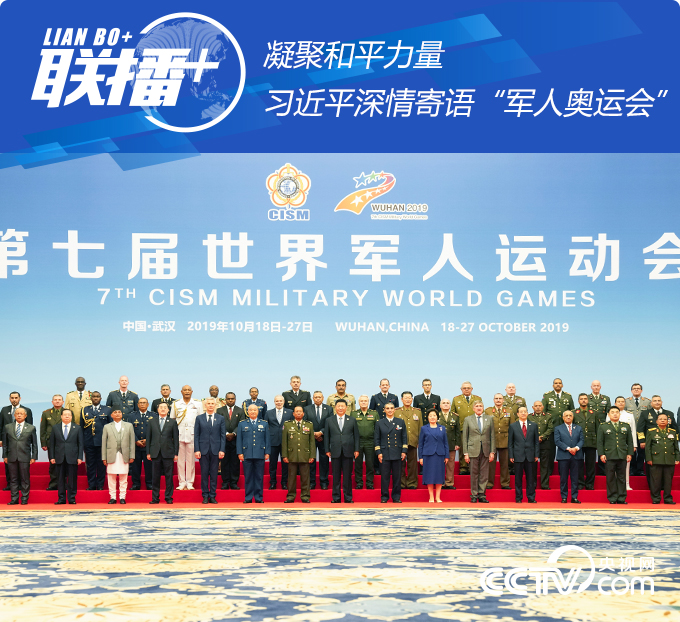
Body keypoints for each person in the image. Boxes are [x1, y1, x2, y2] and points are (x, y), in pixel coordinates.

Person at [597, 405, 634, 505]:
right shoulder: (603, 426)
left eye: (617, 412)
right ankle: (612, 497)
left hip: (622, 455)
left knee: (622, 477)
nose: (615, 414)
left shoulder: (625, 426)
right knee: (610, 477)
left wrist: (630, 453)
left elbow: (630, 441)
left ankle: (621, 497)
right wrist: (601, 454)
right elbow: (600, 442)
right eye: (612, 412)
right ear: (608, 415)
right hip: (609, 455)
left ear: (619, 414)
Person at [324, 399, 360, 503]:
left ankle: (348, 497)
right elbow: (326, 436)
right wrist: (327, 449)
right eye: (338, 406)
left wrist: (356, 449)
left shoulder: (352, 420)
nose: (340, 408)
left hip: (348, 451)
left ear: (346, 408)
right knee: (336, 476)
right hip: (335, 451)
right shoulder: (329, 420)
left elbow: (356, 436)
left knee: (347, 476)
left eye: (342, 406)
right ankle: (336, 497)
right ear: (335, 407)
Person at [637, 395, 678, 483]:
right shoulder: (645, 413)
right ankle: (652, 485)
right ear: (651, 403)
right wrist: (642, 441)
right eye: (655, 401)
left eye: (659, 400)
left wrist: (675, 441)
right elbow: (640, 428)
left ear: (662, 402)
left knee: (666, 467)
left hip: (666, 443)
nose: (657, 402)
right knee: (651, 466)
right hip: (651, 443)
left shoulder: (669, 413)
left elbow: (674, 428)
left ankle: (664, 485)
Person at [170, 385, 203, 491]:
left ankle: (189, 482)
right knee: (180, 461)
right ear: (181, 392)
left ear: (192, 391)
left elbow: (201, 420)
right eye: (185, 390)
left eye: (189, 390)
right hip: (179, 435)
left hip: (192, 435)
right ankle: (181, 482)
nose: (187, 391)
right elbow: (172, 420)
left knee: (190, 461)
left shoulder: (197, 404)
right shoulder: (176, 404)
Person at [462, 401, 495, 503]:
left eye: (480, 406)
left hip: (486, 449)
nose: (479, 408)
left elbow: (492, 436)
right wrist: (466, 453)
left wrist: (492, 452)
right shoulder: (468, 419)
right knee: (474, 473)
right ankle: (474, 494)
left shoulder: (489, 419)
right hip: (472, 450)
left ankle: (482, 495)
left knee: (484, 474)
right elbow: (465, 437)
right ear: (473, 408)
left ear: (483, 408)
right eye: (477, 406)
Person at [3, 407, 38, 505]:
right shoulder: (8, 427)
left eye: (21, 414)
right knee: (13, 479)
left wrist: (34, 456)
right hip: (11, 456)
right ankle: (14, 499)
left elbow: (34, 444)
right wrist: (5, 456)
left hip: (25, 456)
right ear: (14, 415)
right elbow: (5, 444)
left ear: (25, 416)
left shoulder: (31, 428)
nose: (19, 415)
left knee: (24, 478)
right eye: (17, 413)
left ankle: (24, 498)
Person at [194, 398, 226, 504]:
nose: (211, 405)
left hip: (216, 450)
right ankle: (205, 495)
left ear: (215, 405)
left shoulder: (220, 418)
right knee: (204, 474)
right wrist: (197, 449)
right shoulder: (199, 418)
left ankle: (212, 495)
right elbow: (196, 435)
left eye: (212, 403)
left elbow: (222, 435)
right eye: (209, 403)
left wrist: (222, 450)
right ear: (205, 405)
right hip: (203, 450)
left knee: (214, 474)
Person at [374, 402, 407, 503]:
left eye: (392, 408)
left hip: (397, 452)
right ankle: (384, 497)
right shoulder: (379, 422)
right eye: (387, 408)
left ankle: (396, 497)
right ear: (384, 410)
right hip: (385, 453)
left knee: (397, 477)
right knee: (385, 477)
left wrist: (404, 451)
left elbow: (404, 437)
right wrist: (379, 452)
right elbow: (377, 439)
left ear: (394, 410)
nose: (390, 410)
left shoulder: (400, 422)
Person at [542, 378, 575, 480]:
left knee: (564, 449)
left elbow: (572, 411)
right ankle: (549, 472)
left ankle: (563, 471)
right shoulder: (547, 396)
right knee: (550, 451)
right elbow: (544, 412)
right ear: (553, 385)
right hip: (552, 428)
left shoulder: (568, 396)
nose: (558, 385)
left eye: (559, 383)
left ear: (562, 385)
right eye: (556, 383)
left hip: (564, 428)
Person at [146, 403, 179, 504]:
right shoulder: (152, 421)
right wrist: (148, 452)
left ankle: (168, 497)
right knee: (155, 477)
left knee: (169, 476)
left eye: (165, 408)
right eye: (161, 407)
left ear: (168, 410)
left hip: (168, 452)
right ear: (158, 410)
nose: (163, 409)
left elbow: (176, 439)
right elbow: (148, 438)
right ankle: (155, 498)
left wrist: (176, 453)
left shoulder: (172, 422)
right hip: (155, 452)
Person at [237, 404, 270, 503]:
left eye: (254, 410)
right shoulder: (242, 424)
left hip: (260, 454)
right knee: (248, 477)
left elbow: (267, 439)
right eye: (250, 410)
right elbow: (239, 440)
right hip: (247, 454)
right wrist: (240, 453)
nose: (252, 412)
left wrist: (267, 452)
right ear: (247, 412)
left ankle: (259, 497)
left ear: (258, 411)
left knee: (259, 477)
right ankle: (248, 497)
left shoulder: (264, 423)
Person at [49, 409, 83, 505]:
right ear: (61, 416)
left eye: (69, 415)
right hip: (59, 457)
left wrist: (80, 457)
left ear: (71, 417)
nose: (67, 416)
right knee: (60, 479)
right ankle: (61, 499)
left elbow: (80, 444)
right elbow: (52, 444)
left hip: (72, 457)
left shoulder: (77, 428)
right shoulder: (55, 428)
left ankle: (72, 498)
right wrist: (52, 457)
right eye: (65, 415)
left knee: (72, 479)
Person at [101, 409, 135, 505]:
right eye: (115, 412)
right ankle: (112, 497)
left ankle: (122, 497)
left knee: (123, 477)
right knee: (111, 477)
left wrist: (132, 455)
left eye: (119, 412)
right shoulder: (107, 426)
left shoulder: (129, 425)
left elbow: (132, 442)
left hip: (124, 454)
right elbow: (104, 443)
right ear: (111, 415)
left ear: (122, 414)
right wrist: (104, 457)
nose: (117, 414)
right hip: (111, 454)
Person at [1, 392, 33, 492]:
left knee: (22, 465)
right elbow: (1, 425)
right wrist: (1, 439)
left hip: (22, 441)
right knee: (9, 463)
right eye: (12, 398)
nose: (14, 399)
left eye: (16, 397)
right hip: (8, 440)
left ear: (20, 398)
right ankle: (10, 484)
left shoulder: (27, 410)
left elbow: (30, 426)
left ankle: (21, 485)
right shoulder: (4, 410)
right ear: (9, 399)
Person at [282, 406, 315, 503]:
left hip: (305, 455)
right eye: (296, 411)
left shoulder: (309, 425)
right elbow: (284, 441)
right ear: (293, 414)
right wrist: (285, 455)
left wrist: (312, 455)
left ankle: (305, 496)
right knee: (291, 478)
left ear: (303, 413)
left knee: (305, 478)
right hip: (291, 455)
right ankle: (290, 496)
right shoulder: (287, 424)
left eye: (300, 411)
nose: (298, 413)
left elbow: (312, 442)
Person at [645, 413, 680, 505]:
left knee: (668, 481)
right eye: (661, 419)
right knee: (655, 481)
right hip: (656, 459)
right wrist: (649, 459)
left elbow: (676, 447)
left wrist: (677, 458)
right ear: (657, 421)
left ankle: (668, 498)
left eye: (665, 419)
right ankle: (656, 498)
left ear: (668, 421)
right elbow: (648, 447)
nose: (663, 421)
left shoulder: (672, 432)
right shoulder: (651, 432)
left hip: (669, 459)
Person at [80, 391, 112, 490]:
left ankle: (100, 485)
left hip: (102, 442)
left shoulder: (107, 410)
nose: (95, 398)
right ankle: (92, 485)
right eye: (94, 396)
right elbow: (81, 428)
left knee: (101, 465)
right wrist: (82, 442)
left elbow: (111, 427)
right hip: (88, 441)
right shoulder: (84, 410)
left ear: (100, 398)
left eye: (97, 397)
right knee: (90, 464)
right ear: (91, 398)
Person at [508, 407, 539, 503]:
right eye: (521, 412)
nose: (523, 413)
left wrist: (536, 454)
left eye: (525, 412)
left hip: (530, 456)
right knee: (518, 478)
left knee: (531, 478)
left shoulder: (533, 425)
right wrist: (511, 455)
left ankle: (531, 497)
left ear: (527, 413)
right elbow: (510, 443)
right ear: (517, 414)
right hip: (518, 455)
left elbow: (536, 442)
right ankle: (518, 497)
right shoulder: (513, 426)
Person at [303, 391, 333, 490]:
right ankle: (312, 482)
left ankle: (324, 482)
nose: (318, 399)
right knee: (311, 460)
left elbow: (330, 423)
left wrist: (321, 432)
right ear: (313, 398)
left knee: (324, 461)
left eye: (319, 397)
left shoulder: (329, 409)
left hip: (324, 438)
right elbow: (305, 423)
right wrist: (314, 434)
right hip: (310, 438)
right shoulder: (307, 409)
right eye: (316, 397)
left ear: (323, 398)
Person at [418, 409, 449, 503]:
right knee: (430, 476)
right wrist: (421, 457)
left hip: (439, 455)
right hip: (428, 455)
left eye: (434, 415)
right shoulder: (424, 428)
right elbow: (421, 444)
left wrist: (446, 456)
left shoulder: (442, 428)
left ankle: (438, 497)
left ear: (437, 417)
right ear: (427, 417)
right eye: (430, 415)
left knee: (439, 476)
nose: (432, 417)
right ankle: (431, 497)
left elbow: (445, 443)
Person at [349, 395, 379, 490]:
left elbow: (377, 429)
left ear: (368, 402)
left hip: (370, 442)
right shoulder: (354, 414)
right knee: (358, 464)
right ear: (359, 402)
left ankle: (369, 483)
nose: (363, 402)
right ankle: (359, 482)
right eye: (361, 401)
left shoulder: (374, 413)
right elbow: (351, 429)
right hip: (358, 442)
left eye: (365, 401)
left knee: (370, 464)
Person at [486, 393, 515, 490]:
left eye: (500, 398)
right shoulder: (488, 411)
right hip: (492, 441)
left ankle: (505, 483)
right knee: (490, 464)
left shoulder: (509, 411)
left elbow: (512, 427)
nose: (498, 400)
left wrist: (512, 441)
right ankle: (489, 483)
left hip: (505, 441)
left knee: (505, 464)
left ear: (503, 400)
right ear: (493, 400)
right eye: (496, 398)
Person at [554, 411, 583, 504]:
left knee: (575, 478)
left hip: (576, 456)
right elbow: (557, 441)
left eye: (570, 415)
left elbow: (581, 440)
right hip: (564, 456)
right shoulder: (558, 428)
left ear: (573, 417)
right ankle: (564, 497)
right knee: (563, 478)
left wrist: (576, 448)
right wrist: (568, 448)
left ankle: (574, 497)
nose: (568, 417)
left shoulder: (578, 428)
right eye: (566, 415)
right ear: (563, 417)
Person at [217, 392, 245, 490]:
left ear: (235, 399)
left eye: (232, 399)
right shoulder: (220, 410)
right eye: (228, 399)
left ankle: (233, 482)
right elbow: (218, 424)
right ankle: (225, 482)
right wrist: (225, 434)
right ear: (225, 399)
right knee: (224, 462)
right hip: (223, 440)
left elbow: (241, 424)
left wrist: (233, 433)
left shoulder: (240, 411)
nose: (230, 400)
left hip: (236, 440)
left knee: (235, 462)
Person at [452, 382, 481, 475]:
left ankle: (473, 467)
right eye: (464, 388)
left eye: (468, 388)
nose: (466, 389)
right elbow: (453, 415)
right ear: (461, 389)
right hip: (461, 428)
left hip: (475, 428)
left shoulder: (477, 399)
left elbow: (480, 412)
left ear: (472, 389)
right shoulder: (456, 399)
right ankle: (463, 468)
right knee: (462, 448)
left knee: (474, 448)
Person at [610, 396, 638, 490]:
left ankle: (626, 484)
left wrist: (634, 445)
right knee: (613, 467)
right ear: (615, 403)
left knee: (625, 467)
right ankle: (614, 486)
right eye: (618, 401)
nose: (621, 403)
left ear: (625, 403)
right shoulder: (609, 414)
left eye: (622, 401)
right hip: (612, 445)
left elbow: (633, 431)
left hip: (625, 445)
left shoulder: (629, 415)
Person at [265, 395, 293, 489]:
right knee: (272, 464)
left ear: (284, 401)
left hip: (286, 442)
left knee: (285, 464)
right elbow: (265, 427)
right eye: (277, 401)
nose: (279, 402)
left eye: (280, 401)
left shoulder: (290, 412)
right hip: (272, 442)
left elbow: (292, 426)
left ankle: (284, 482)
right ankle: (273, 482)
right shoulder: (268, 413)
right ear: (274, 402)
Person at [125, 397, 154, 490]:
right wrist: (136, 440)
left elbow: (155, 430)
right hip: (135, 446)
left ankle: (149, 483)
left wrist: (147, 440)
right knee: (135, 466)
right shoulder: (131, 416)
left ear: (148, 404)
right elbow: (128, 430)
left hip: (148, 446)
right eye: (140, 403)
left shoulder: (153, 415)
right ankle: (136, 484)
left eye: (144, 402)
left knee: (149, 466)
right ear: (137, 405)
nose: (142, 404)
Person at [396, 391, 423, 489]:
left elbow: (420, 427)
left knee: (413, 464)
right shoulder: (396, 411)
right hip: (399, 442)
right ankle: (401, 483)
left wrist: (420, 441)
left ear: (412, 399)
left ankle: (412, 483)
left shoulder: (417, 412)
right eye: (405, 398)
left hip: (413, 441)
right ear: (402, 399)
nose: (407, 400)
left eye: (409, 398)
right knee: (400, 464)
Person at [572, 393, 599, 490]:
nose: (583, 400)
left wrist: (598, 443)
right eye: (581, 399)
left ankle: (590, 484)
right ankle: (580, 483)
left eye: (585, 399)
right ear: (578, 401)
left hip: (591, 442)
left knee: (591, 465)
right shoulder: (574, 413)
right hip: (578, 443)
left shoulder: (594, 413)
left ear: (588, 400)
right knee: (578, 464)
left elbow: (597, 428)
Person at [40, 395, 65, 491]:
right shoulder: (46, 413)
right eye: (55, 400)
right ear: (52, 402)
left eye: (59, 400)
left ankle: (63, 484)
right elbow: (43, 429)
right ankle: (53, 484)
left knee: (64, 463)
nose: (57, 401)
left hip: (64, 442)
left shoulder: (67, 412)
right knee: (53, 464)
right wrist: (43, 443)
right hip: (51, 442)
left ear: (63, 402)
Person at [528, 400, 554, 490]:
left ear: (543, 407)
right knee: (532, 466)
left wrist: (542, 437)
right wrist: (535, 438)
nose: (538, 407)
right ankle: (533, 484)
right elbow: (527, 429)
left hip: (545, 443)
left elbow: (550, 428)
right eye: (536, 406)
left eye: (539, 406)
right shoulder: (529, 417)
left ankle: (545, 485)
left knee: (545, 465)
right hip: (532, 444)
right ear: (533, 407)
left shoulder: (548, 416)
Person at [626, 383, 650, 476]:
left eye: (638, 388)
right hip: (630, 430)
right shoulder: (626, 401)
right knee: (631, 450)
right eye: (634, 388)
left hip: (642, 431)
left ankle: (640, 469)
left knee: (641, 451)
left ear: (641, 390)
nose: (636, 390)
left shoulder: (647, 402)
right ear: (631, 390)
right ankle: (632, 469)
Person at [438, 399, 460, 489]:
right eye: (444, 403)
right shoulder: (436, 415)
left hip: (451, 443)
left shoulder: (455, 416)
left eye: (447, 403)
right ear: (440, 405)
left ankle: (449, 483)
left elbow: (457, 431)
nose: (446, 404)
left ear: (450, 405)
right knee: (439, 464)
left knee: (450, 464)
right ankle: (440, 482)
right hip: (439, 444)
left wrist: (457, 443)